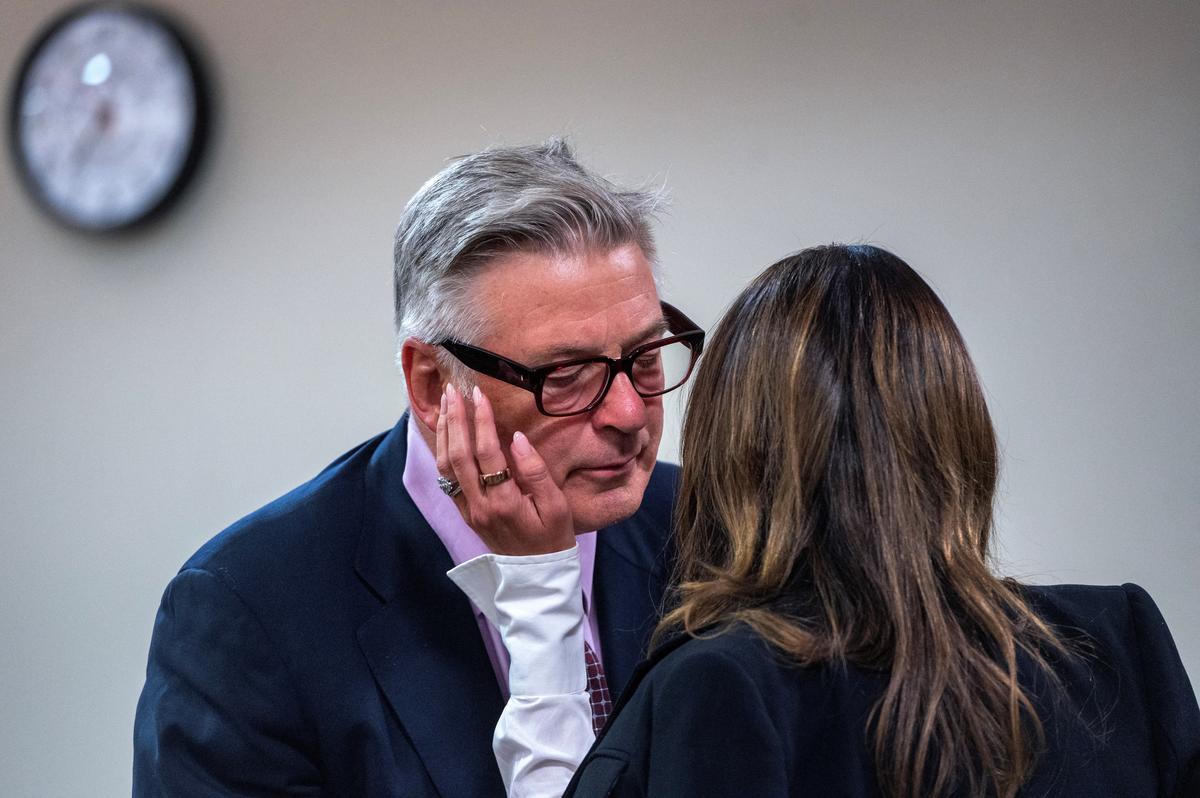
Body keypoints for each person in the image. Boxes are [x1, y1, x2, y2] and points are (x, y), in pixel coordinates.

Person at [451, 244, 1200, 797]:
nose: (623, 414)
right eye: (568, 372)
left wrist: (536, 590)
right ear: (957, 429)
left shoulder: (720, 690)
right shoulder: (1118, 643)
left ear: (731, 446)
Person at [132, 139, 706, 797]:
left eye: (646, 357)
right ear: (433, 386)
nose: (630, 415)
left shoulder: (710, 527)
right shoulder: (249, 611)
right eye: (569, 377)